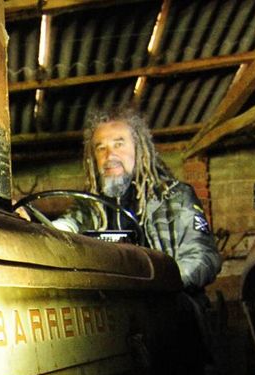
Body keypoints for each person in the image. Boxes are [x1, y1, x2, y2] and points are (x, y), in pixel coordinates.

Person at [52, 102, 222, 291]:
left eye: (119, 144)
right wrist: (33, 224)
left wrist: (162, 285)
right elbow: (63, 228)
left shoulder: (175, 197)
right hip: (114, 309)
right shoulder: (90, 207)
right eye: (101, 148)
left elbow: (204, 257)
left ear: (139, 149)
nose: (109, 155)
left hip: (169, 305)